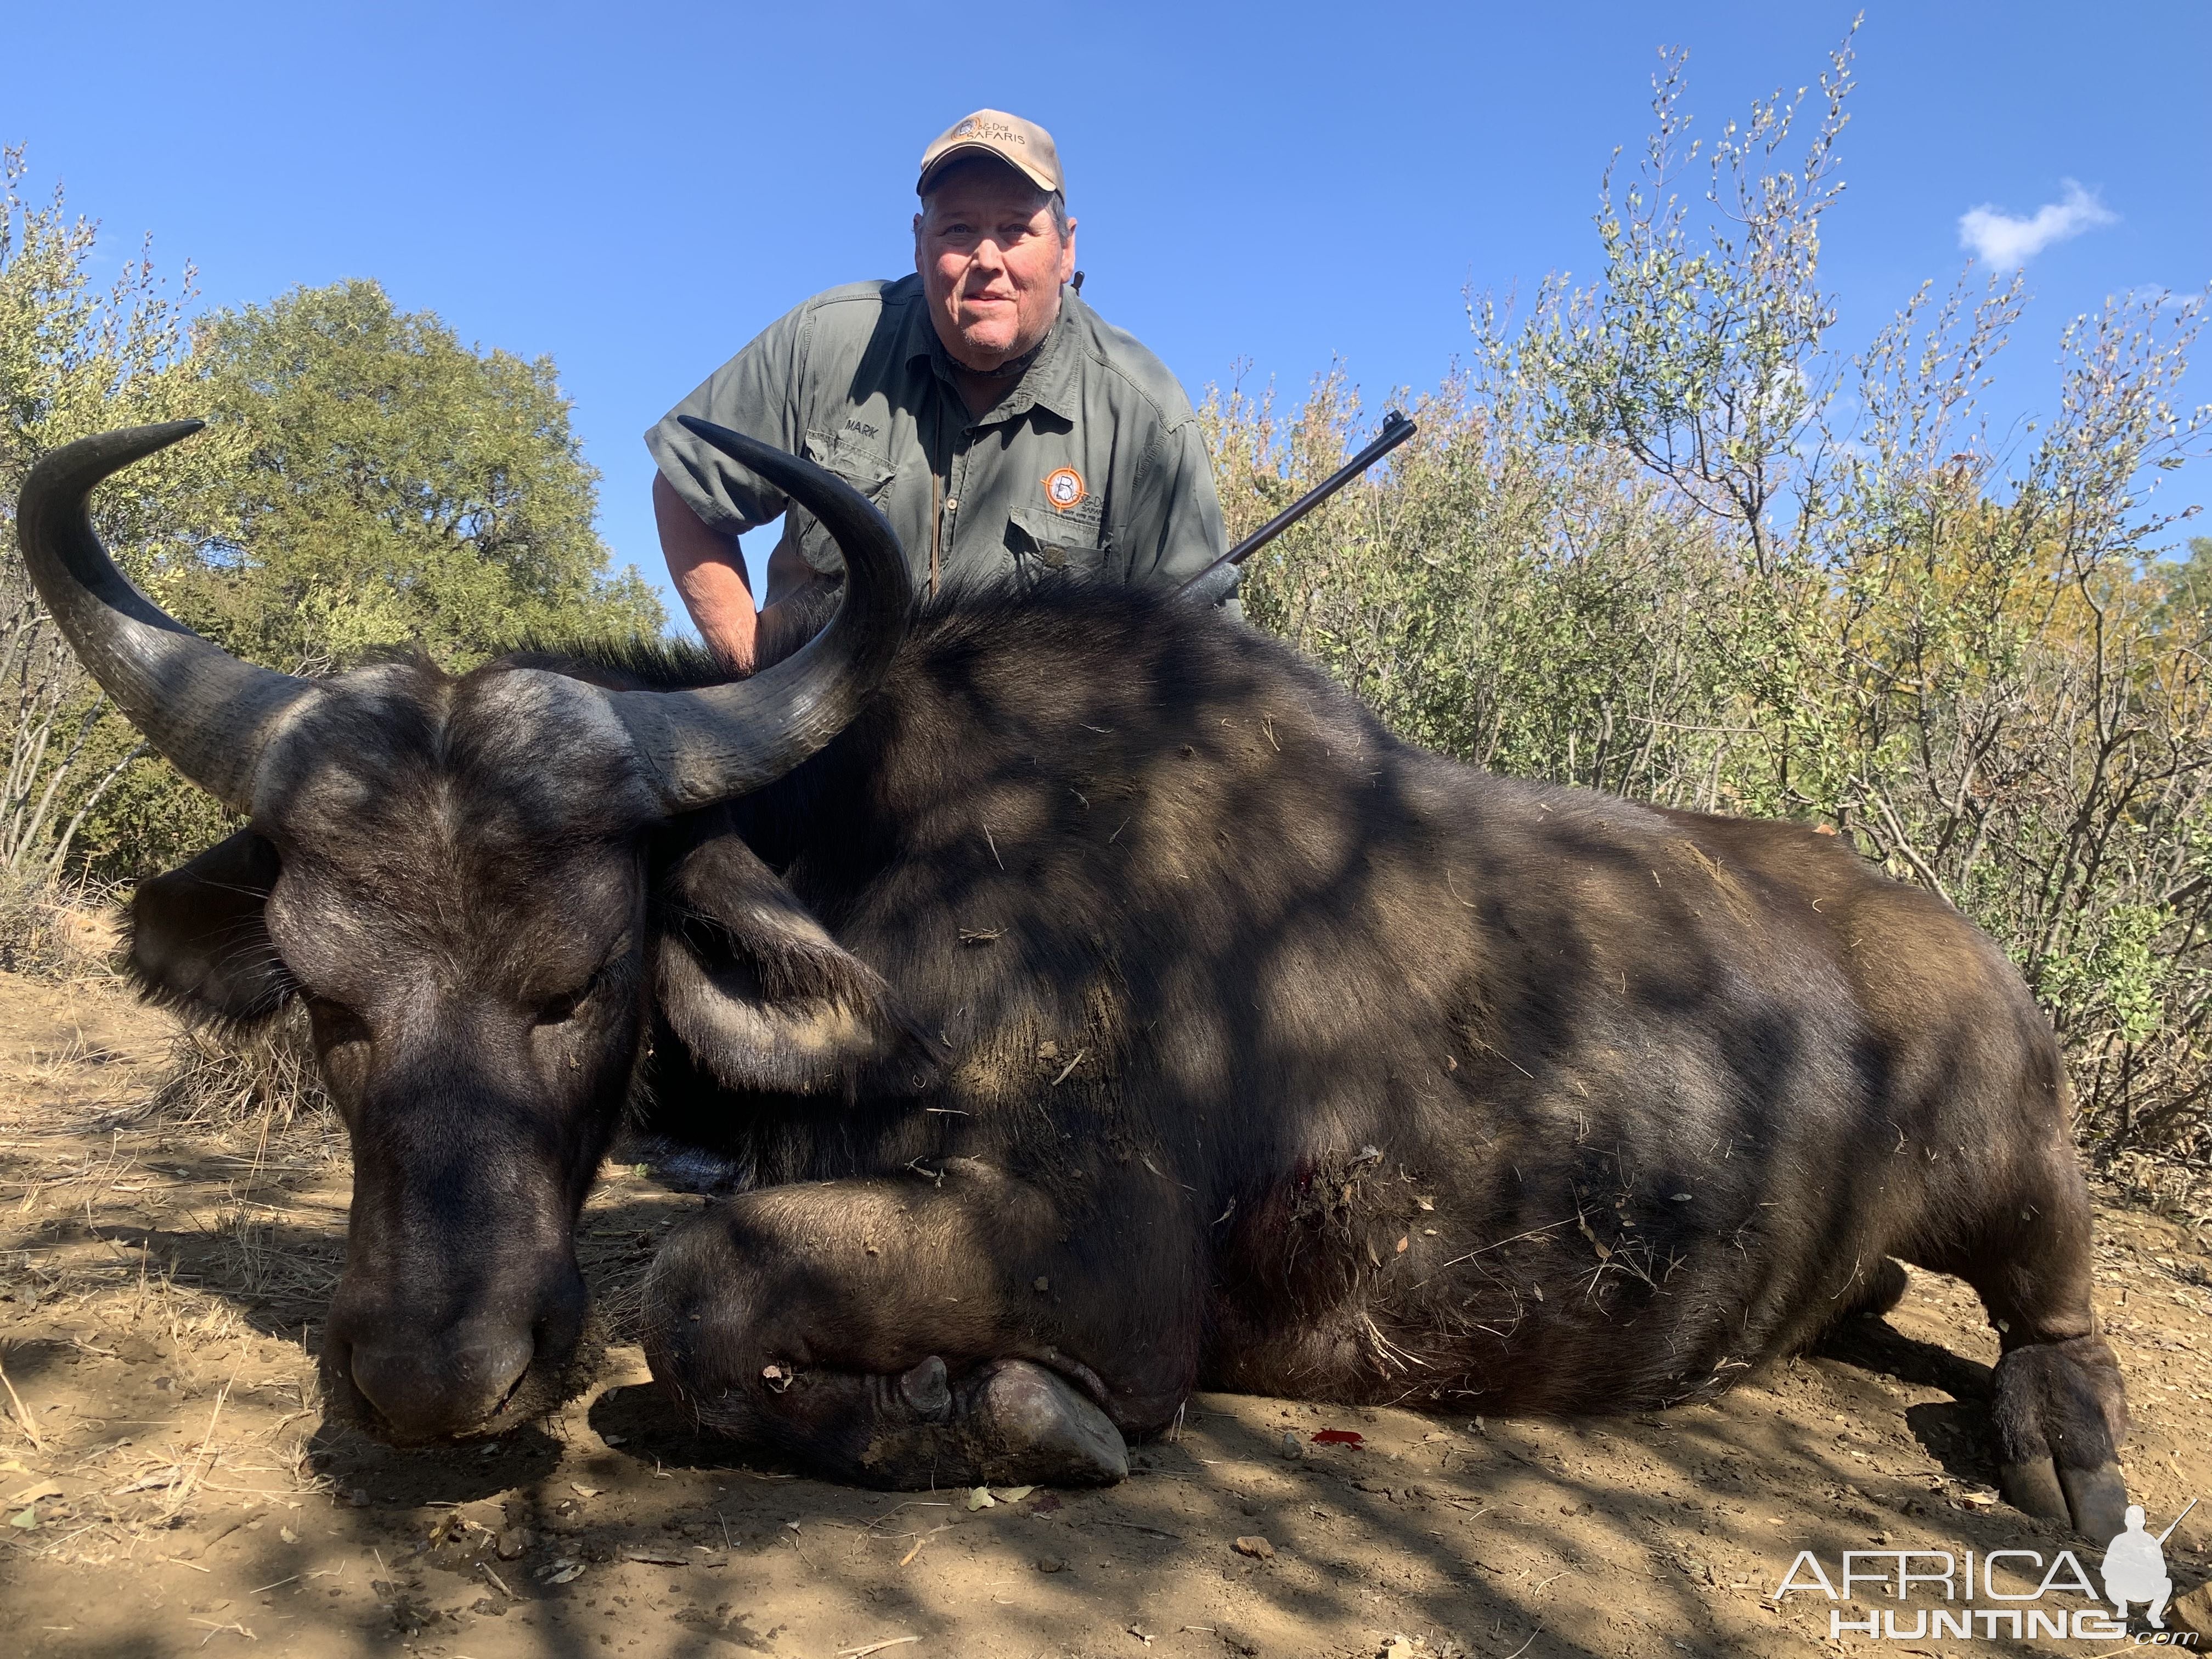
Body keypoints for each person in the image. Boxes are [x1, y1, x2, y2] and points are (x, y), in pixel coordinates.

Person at [647, 109, 1230, 673]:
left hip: (1020, 771)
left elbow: (1210, 662)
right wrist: (751, 671)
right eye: (958, 229)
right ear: (919, 244)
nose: (986, 260)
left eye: (1015, 230)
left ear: (1066, 249)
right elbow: (684, 488)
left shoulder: (1144, 413)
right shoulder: (825, 341)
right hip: (817, 753)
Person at [2101, 1504, 2172, 1628]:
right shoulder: (2119, 1541)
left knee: (2166, 1584)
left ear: (2144, 1522)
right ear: (2126, 1522)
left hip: (2144, 1589)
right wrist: (2126, 1566)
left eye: (2138, 1522)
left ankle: (2154, 1616)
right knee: (2111, 1582)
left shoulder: (2151, 1542)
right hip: (2121, 1588)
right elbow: (2106, 1571)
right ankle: (2122, 1608)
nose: (2135, 1525)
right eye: (2133, 1521)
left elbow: (2162, 1572)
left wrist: (2148, 1564)